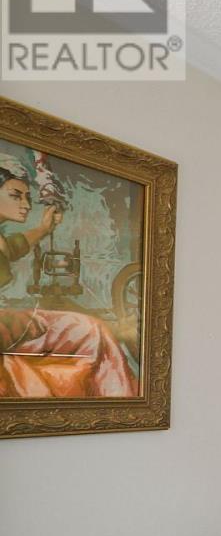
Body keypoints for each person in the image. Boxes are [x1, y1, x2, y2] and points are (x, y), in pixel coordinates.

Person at [0, 155, 138, 398]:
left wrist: (43, 230)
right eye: (15, 196)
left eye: (27, 197)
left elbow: (13, 248)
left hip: (9, 323)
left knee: (92, 329)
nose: (27, 205)